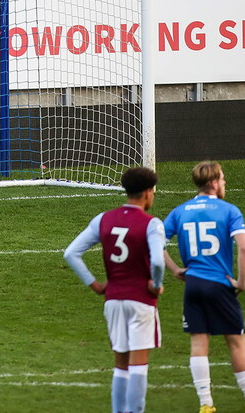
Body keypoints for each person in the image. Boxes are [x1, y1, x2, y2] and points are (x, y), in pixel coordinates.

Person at [64, 167, 165, 413]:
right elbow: (158, 262)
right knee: (138, 365)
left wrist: (95, 285)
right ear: (147, 192)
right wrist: (156, 285)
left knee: (121, 365)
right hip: (141, 301)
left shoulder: (103, 219)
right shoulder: (151, 224)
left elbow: (71, 253)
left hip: (113, 300)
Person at [162, 161, 245, 413]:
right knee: (236, 341)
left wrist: (175, 269)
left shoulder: (180, 211)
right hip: (219, 284)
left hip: (193, 284)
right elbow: (244, 248)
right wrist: (241, 282)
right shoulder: (229, 210)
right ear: (214, 183)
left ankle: (206, 405)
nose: (224, 183)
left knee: (198, 343)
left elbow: (155, 243)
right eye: (223, 179)